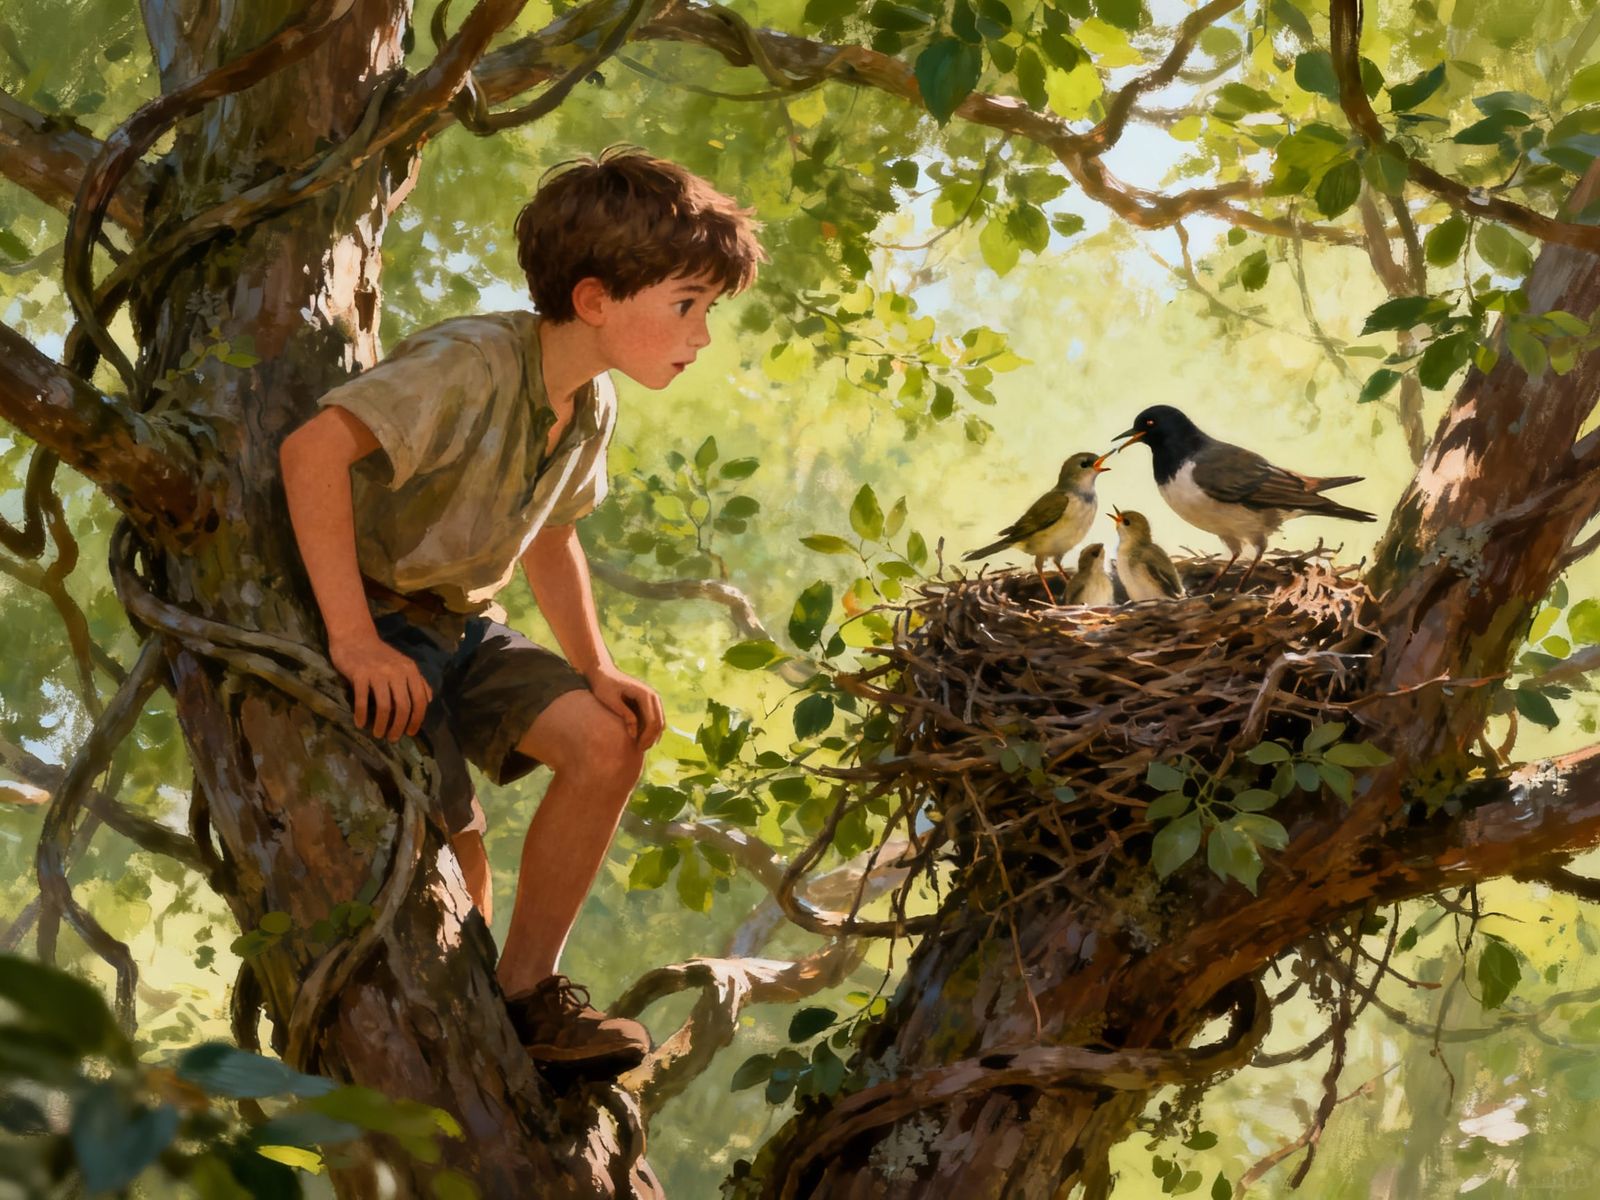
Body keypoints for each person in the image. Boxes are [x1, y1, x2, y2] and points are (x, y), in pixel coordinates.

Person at [279, 148, 764, 1072]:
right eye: (687, 305)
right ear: (593, 299)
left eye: (709, 310)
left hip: (462, 625)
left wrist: (596, 665)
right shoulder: (468, 362)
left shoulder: (592, 404)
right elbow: (310, 453)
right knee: (455, 860)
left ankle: (526, 993)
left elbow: (551, 536)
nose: (701, 335)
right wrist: (350, 639)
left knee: (610, 738)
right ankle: (456, 1028)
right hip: (377, 615)